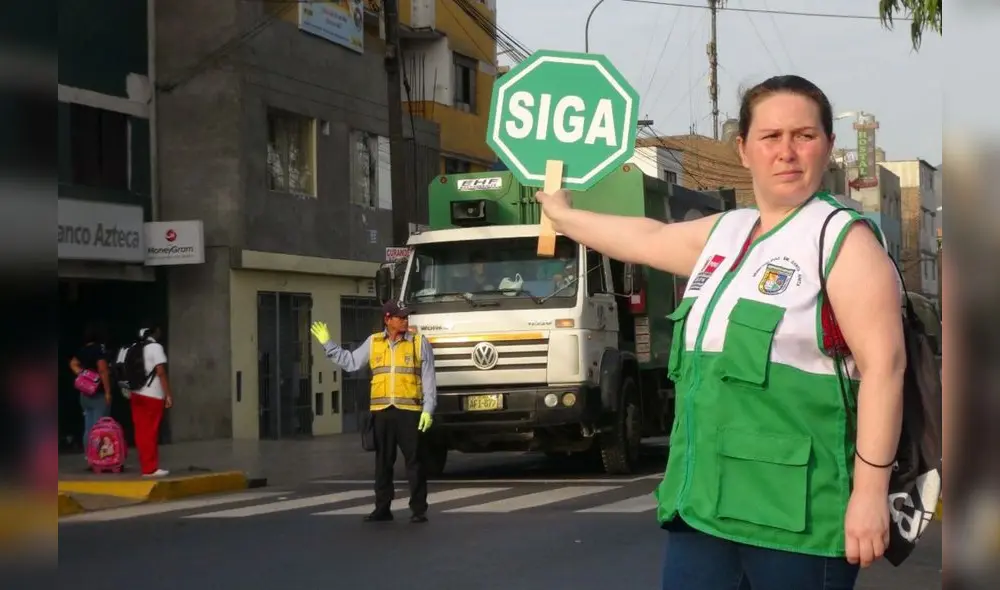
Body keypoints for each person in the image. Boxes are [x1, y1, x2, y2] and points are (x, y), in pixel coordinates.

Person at [535, 75, 905, 590]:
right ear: (744, 148)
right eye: (771, 137)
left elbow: (885, 370)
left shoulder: (842, 240)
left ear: (828, 146)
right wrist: (564, 216)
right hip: (703, 508)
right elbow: (648, 237)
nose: (787, 152)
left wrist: (869, 494)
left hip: (795, 518)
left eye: (804, 135)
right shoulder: (727, 232)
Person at [310, 301, 437, 523]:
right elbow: (350, 363)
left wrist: (428, 409)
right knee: (383, 463)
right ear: (387, 320)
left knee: (414, 462)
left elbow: (428, 379)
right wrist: (328, 344)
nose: (405, 320)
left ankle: (418, 509)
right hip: (382, 412)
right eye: (400, 317)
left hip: (409, 411)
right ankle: (382, 508)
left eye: (406, 317)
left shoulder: (418, 342)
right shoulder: (374, 342)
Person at [129, 326, 173, 477]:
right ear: (155, 333)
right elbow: (160, 372)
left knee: (141, 431)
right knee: (151, 431)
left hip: (136, 394)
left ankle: (145, 465)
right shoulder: (155, 347)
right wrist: (168, 394)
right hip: (152, 395)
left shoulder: (135, 347)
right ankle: (151, 468)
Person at [69, 322, 113, 461]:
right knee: (100, 426)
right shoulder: (99, 349)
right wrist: (107, 391)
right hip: (98, 394)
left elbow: (72, 363)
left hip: (85, 394)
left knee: (88, 427)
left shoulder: (82, 350)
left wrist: (83, 375)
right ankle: (98, 455)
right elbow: (102, 369)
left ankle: (89, 455)